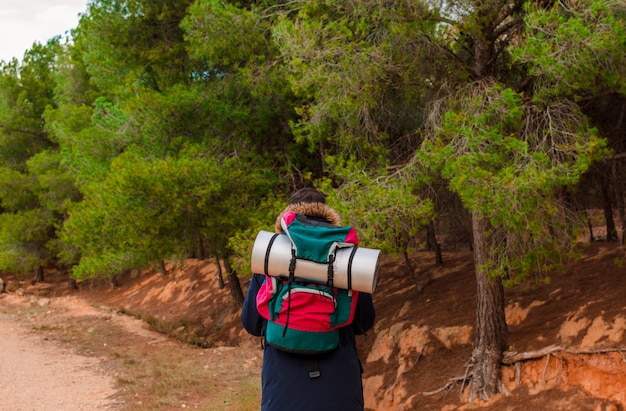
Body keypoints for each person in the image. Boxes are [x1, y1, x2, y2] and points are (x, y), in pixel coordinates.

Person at [241, 187, 376, 411]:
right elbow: (365, 321)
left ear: (288, 214)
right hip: (339, 385)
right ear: (327, 214)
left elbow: (251, 323)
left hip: (283, 384)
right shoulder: (347, 258)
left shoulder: (272, 255)